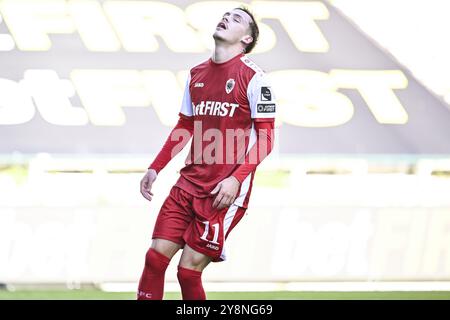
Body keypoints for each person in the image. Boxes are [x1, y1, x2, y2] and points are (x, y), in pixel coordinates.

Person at [137, 6, 276, 300]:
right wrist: (155, 168)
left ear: (247, 39)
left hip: (222, 191)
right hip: (188, 184)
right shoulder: (196, 74)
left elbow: (266, 138)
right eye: (226, 15)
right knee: (154, 259)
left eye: (237, 18)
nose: (226, 18)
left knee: (188, 272)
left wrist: (236, 179)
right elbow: (185, 126)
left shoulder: (255, 78)